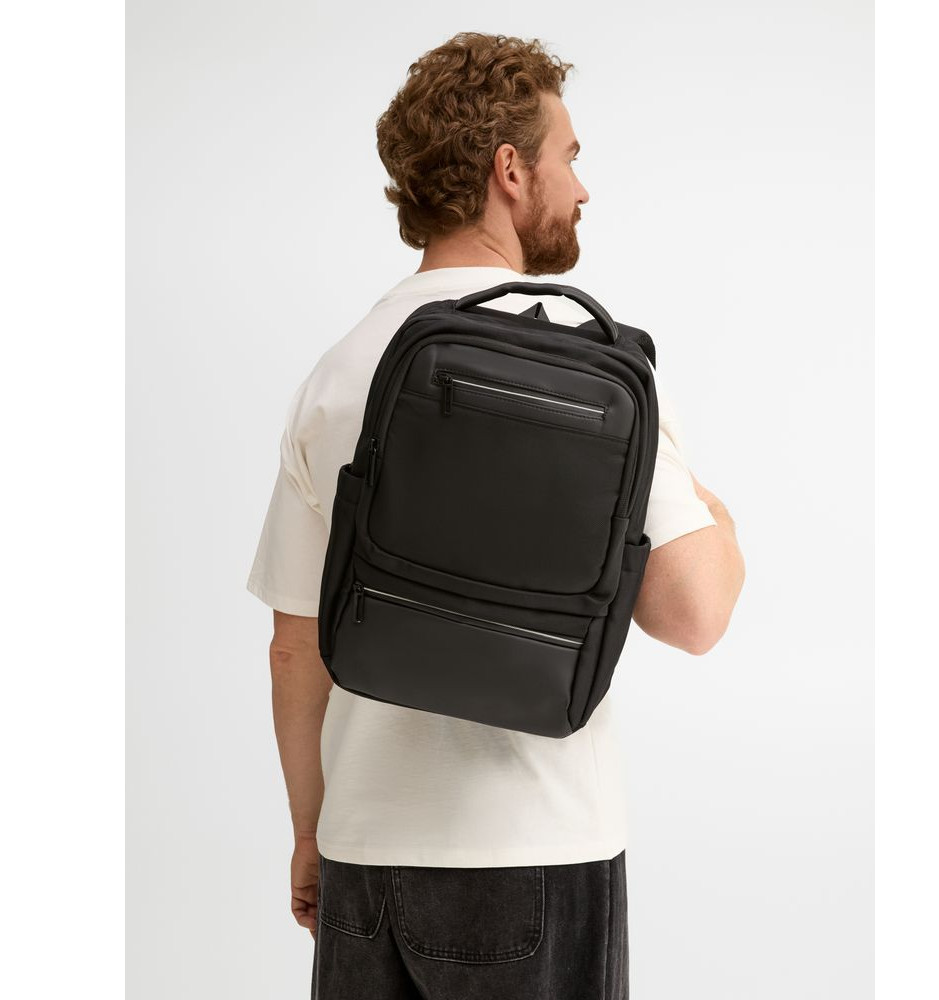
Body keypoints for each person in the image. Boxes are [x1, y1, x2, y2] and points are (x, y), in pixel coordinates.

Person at [247, 31, 745, 1000]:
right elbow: (694, 613)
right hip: (533, 850)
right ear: (510, 172)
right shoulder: (591, 371)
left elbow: (294, 646)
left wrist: (311, 833)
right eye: (569, 156)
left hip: (363, 855)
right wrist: (718, 516)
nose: (582, 187)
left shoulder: (339, 372)